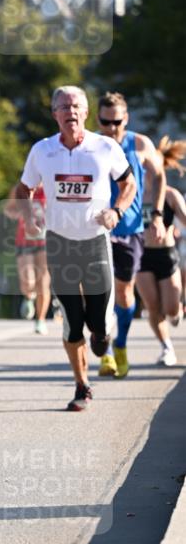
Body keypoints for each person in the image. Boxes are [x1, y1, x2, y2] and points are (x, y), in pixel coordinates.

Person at [16, 85, 136, 411]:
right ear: (54, 113)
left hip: (95, 241)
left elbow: (128, 183)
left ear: (85, 113)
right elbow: (22, 188)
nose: (70, 111)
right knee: (71, 319)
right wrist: (29, 216)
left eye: (76, 106)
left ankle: (101, 334)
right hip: (59, 243)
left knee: (97, 321)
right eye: (64, 106)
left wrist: (116, 211)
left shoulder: (105, 147)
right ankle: (82, 386)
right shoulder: (42, 151)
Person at [96, 91, 166, 377]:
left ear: (126, 119)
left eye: (117, 122)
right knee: (98, 292)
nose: (112, 128)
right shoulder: (92, 145)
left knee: (124, 290)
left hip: (130, 228)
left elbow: (159, 174)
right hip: (97, 228)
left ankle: (121, 344)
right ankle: (107, 353)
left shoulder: (139, 143)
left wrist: (157, 215)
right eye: (105, 122)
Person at [135, 137, 186, 366]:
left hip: (166, 255)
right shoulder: (133, 194)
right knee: (152, 306)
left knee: (171, 307)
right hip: (142, 256)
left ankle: (177, 313)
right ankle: (166, 348)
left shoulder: (171, 194)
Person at [5, 183, 51, 334]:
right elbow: (8, 209)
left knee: (43, 282)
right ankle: (29, 296)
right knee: (28, 281)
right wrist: (19, 214)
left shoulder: (53, 185)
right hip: (24, 239)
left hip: (46, 240)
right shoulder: (20, 188)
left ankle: (40, 319)